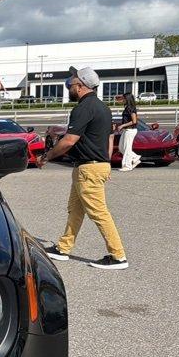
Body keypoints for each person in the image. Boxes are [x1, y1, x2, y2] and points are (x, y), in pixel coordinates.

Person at [41, 66, 128, 270]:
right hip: (93, 166)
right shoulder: (102, 107)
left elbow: (70, 140)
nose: (68, 85)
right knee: (75, 210)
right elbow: (109, 137)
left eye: (71, 82)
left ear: (80, 85)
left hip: (89, 168)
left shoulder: (83, 108)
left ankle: (118, 256)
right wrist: (105, 163)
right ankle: (63, 248)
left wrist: (47, 155)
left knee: (99, 212)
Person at [115, 92, 141, 171]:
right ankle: (135, 157)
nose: (123, 100)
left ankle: (127, 166)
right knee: (121, 148)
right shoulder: (127, 107)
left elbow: (134, 121)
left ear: (127, 99)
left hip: (130, 130)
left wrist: (122, 125)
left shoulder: (131, 108)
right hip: (126, 130)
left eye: (124, 98)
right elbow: (117, 98)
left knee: (126, 148)